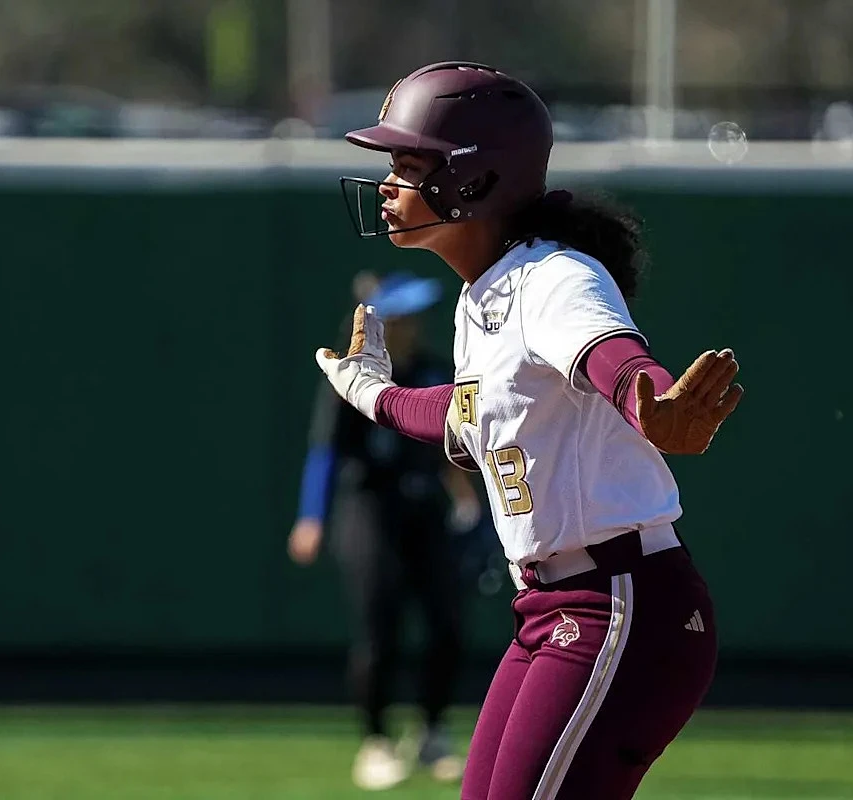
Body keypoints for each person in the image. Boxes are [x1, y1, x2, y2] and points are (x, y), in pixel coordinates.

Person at [316, 62, 744, 800]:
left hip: (619, 598)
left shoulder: (554, 276)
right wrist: (378, 396)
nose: (387, 184)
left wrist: (651, 406)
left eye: (410, 166)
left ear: (475, 182)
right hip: (556, 606)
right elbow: (464, 414)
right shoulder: (483, 296)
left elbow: (612, 357)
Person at [289, 271, 483, 791]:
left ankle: (432, 732)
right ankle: (376, 740)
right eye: (400, 315)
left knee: (446, 623)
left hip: (425, 510)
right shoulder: (351, 378)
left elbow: (450, 444)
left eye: (415, 315)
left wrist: (465, 498)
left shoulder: (436, 369)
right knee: (380, 626)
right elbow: (326, 452)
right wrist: (311, 517)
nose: (411, 324)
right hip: (369, 508)